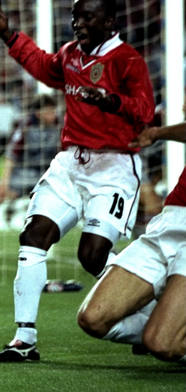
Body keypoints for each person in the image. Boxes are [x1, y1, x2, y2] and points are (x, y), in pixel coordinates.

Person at [0, 0, 155, 362]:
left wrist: (112, 101)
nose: (78, 24)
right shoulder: (71, 54)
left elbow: (145, 112)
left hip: (114, 166)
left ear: (109, 22)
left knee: (92, 256)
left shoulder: (127, 61)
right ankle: (24, 339)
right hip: (70, 163)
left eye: (88, 17)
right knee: (33, 235)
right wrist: (9, 35)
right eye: (76, 17)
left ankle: (147, 307)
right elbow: (44, 67)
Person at [77, 120, 186, 363]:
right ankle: (168, 321)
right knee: (93, 318)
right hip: (172, 218)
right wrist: (157, 133)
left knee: (161, 344)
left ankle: (169, 331)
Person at [0, 94, 60, 262]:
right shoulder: (26, 125)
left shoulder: (61, 125)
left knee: (79, 200)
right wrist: (4, 183)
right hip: (21, 174)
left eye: (53, 110)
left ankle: (105, 245)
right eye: (49, 111)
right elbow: (10, 156)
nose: (53, 115)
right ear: (38, 113)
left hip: (46, 175)